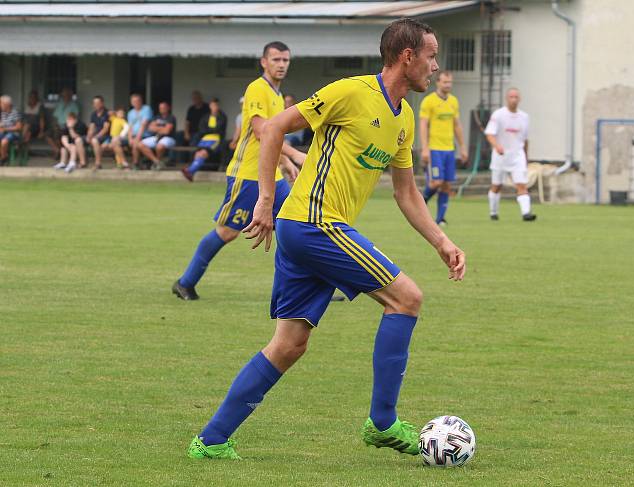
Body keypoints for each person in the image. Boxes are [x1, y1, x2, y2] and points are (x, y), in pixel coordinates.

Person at [186, 18, 465, 460]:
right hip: (313, 223)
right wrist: (263, 201)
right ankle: (383, 422)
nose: (435, 66)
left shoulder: (405, 117)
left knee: (289, 344)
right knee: (406, 298)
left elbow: (406, 192)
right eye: (431, 56)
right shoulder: (350, 92)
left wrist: (441, 241)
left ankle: (212, 440)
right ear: (407, 56)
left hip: (311, 230)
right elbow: (273, 127)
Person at [172, 41, 306, 301]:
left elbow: (273, 138)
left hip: (273, 177)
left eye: (285, 60)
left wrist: (284, 163)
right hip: (247, 176)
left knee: (297, 225)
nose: (281, 64)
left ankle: (300, 292)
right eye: (276, 59)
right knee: (228, 232)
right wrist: (294, 154)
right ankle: (185, 282)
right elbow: (261, 132)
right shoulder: (257, 89)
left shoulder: (277, 95)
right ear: (263, 62)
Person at [419, 71, 468, 225]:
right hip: (435, 150)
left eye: (450, 82)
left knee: (446, 185)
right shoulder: (428, 101)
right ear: (438, 83)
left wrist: (463, 147)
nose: (448, 85)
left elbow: (457, 125)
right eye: (445, 82)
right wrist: (425, 148)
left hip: (449, 150)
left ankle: (440, 219)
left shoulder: (453, 101)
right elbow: (423, 125)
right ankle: (421, 202)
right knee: (436, 182)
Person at [485, 88, 535, 221]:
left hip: (517, 156)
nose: (514, 99)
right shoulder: (498, 115)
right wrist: (497, 146)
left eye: (516, 97)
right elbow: (490, 134)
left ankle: (526, 213)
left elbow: (525, 140)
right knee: (497, 186)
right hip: (500, 157)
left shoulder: (524, 117)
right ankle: (493, 212)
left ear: (519, 99)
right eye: (511, 97)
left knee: (521, 184)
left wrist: (526, 156)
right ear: (507, 99)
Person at [182, 98, 227, 181]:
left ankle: (190, 170)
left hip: (215, 139)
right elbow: (202, 130)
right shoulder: (206, 117)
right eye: (213, 105)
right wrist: (211, 130)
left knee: (203, 153)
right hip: (205, 139)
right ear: (210, 106)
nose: (214, 107)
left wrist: (209, 130)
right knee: (198, 153)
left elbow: (219, 130)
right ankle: (190, 173)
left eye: (216, 105)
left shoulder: (222, 117)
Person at [138, 101, 177, 170]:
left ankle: (157, 164)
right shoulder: (156, 117)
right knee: (140, 144)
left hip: (169, 138)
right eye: (160, 108)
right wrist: (162, 128)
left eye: (164, 108)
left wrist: (156, 127)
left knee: (159, 146)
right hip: (157, 137)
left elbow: (167, 131)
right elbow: (150, 128)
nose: (162, 109)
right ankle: (157, 162)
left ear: (168, 108)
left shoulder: (171, 117)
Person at [22, 90, 60, 158]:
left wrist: (41, 131)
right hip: (28, 128)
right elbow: (24, 118)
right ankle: (25, 151)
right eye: (30, 97)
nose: (31, 99)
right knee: (28, 132)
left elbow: (41, 120)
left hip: (37, 127)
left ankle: (21, 141)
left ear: (36, 98)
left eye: (33, 97)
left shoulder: (40, 106)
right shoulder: (27, 106)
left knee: (28, 128)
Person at [126, 93, 153, 169]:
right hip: (134, 135)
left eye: (137, 101)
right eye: (133, 101)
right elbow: (130, 127)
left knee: (135, 143)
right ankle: (124, 164)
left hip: (145, 135)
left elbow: (144, 125)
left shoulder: (147, 109)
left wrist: (137, 138)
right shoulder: (130, 113)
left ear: (141, 101)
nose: (135, 103)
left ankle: (135, 164)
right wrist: (129, 138)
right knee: (116, 142)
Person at [86, 95, 111, 170]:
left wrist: (96, 136)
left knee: (94, 141)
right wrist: (88, 136)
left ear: (102, 103)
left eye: (98, 103)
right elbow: (91, 127)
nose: (95, 105)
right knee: (82, 140)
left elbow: (105, 129)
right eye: (94, 103)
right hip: (98, 136)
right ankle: (82, 162)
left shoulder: (107, 113)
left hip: (107, 136)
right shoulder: (93, 114)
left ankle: (97, 163)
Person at [0, 95, 23, 165]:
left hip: (14, 133)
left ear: (6, 104)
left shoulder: (15, 112)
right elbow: (2, 124)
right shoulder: (2, 113)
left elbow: (19, 127)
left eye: (1, 103)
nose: (0, 105)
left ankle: (3, 158)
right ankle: (4, 156)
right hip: (4, 132)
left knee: (4, 142)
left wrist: (6, 129)